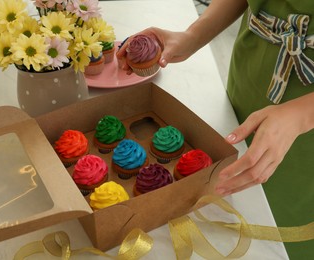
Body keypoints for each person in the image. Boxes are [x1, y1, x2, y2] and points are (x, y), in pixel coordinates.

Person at [117, 0, 313, 259]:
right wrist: (193, 35)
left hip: (305, 123)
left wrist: (301, 114)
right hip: (251, 71)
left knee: (275, 230)